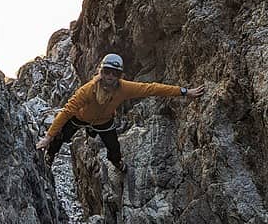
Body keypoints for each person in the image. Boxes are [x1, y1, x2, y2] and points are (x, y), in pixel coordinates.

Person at [36, 53, 205, 171]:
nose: (110, 76)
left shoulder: (124, 88)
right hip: (80, 118)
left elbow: (152, 88)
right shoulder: (88, 90)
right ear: (101, 72)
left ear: (119, 75)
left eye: (114, 73)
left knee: (114, 148)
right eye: (107, 72)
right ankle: (50, 154)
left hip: (104, 122)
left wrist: (184, 92)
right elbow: (66, 111)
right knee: (60, 137)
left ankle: (116, 163)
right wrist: (48, 137)